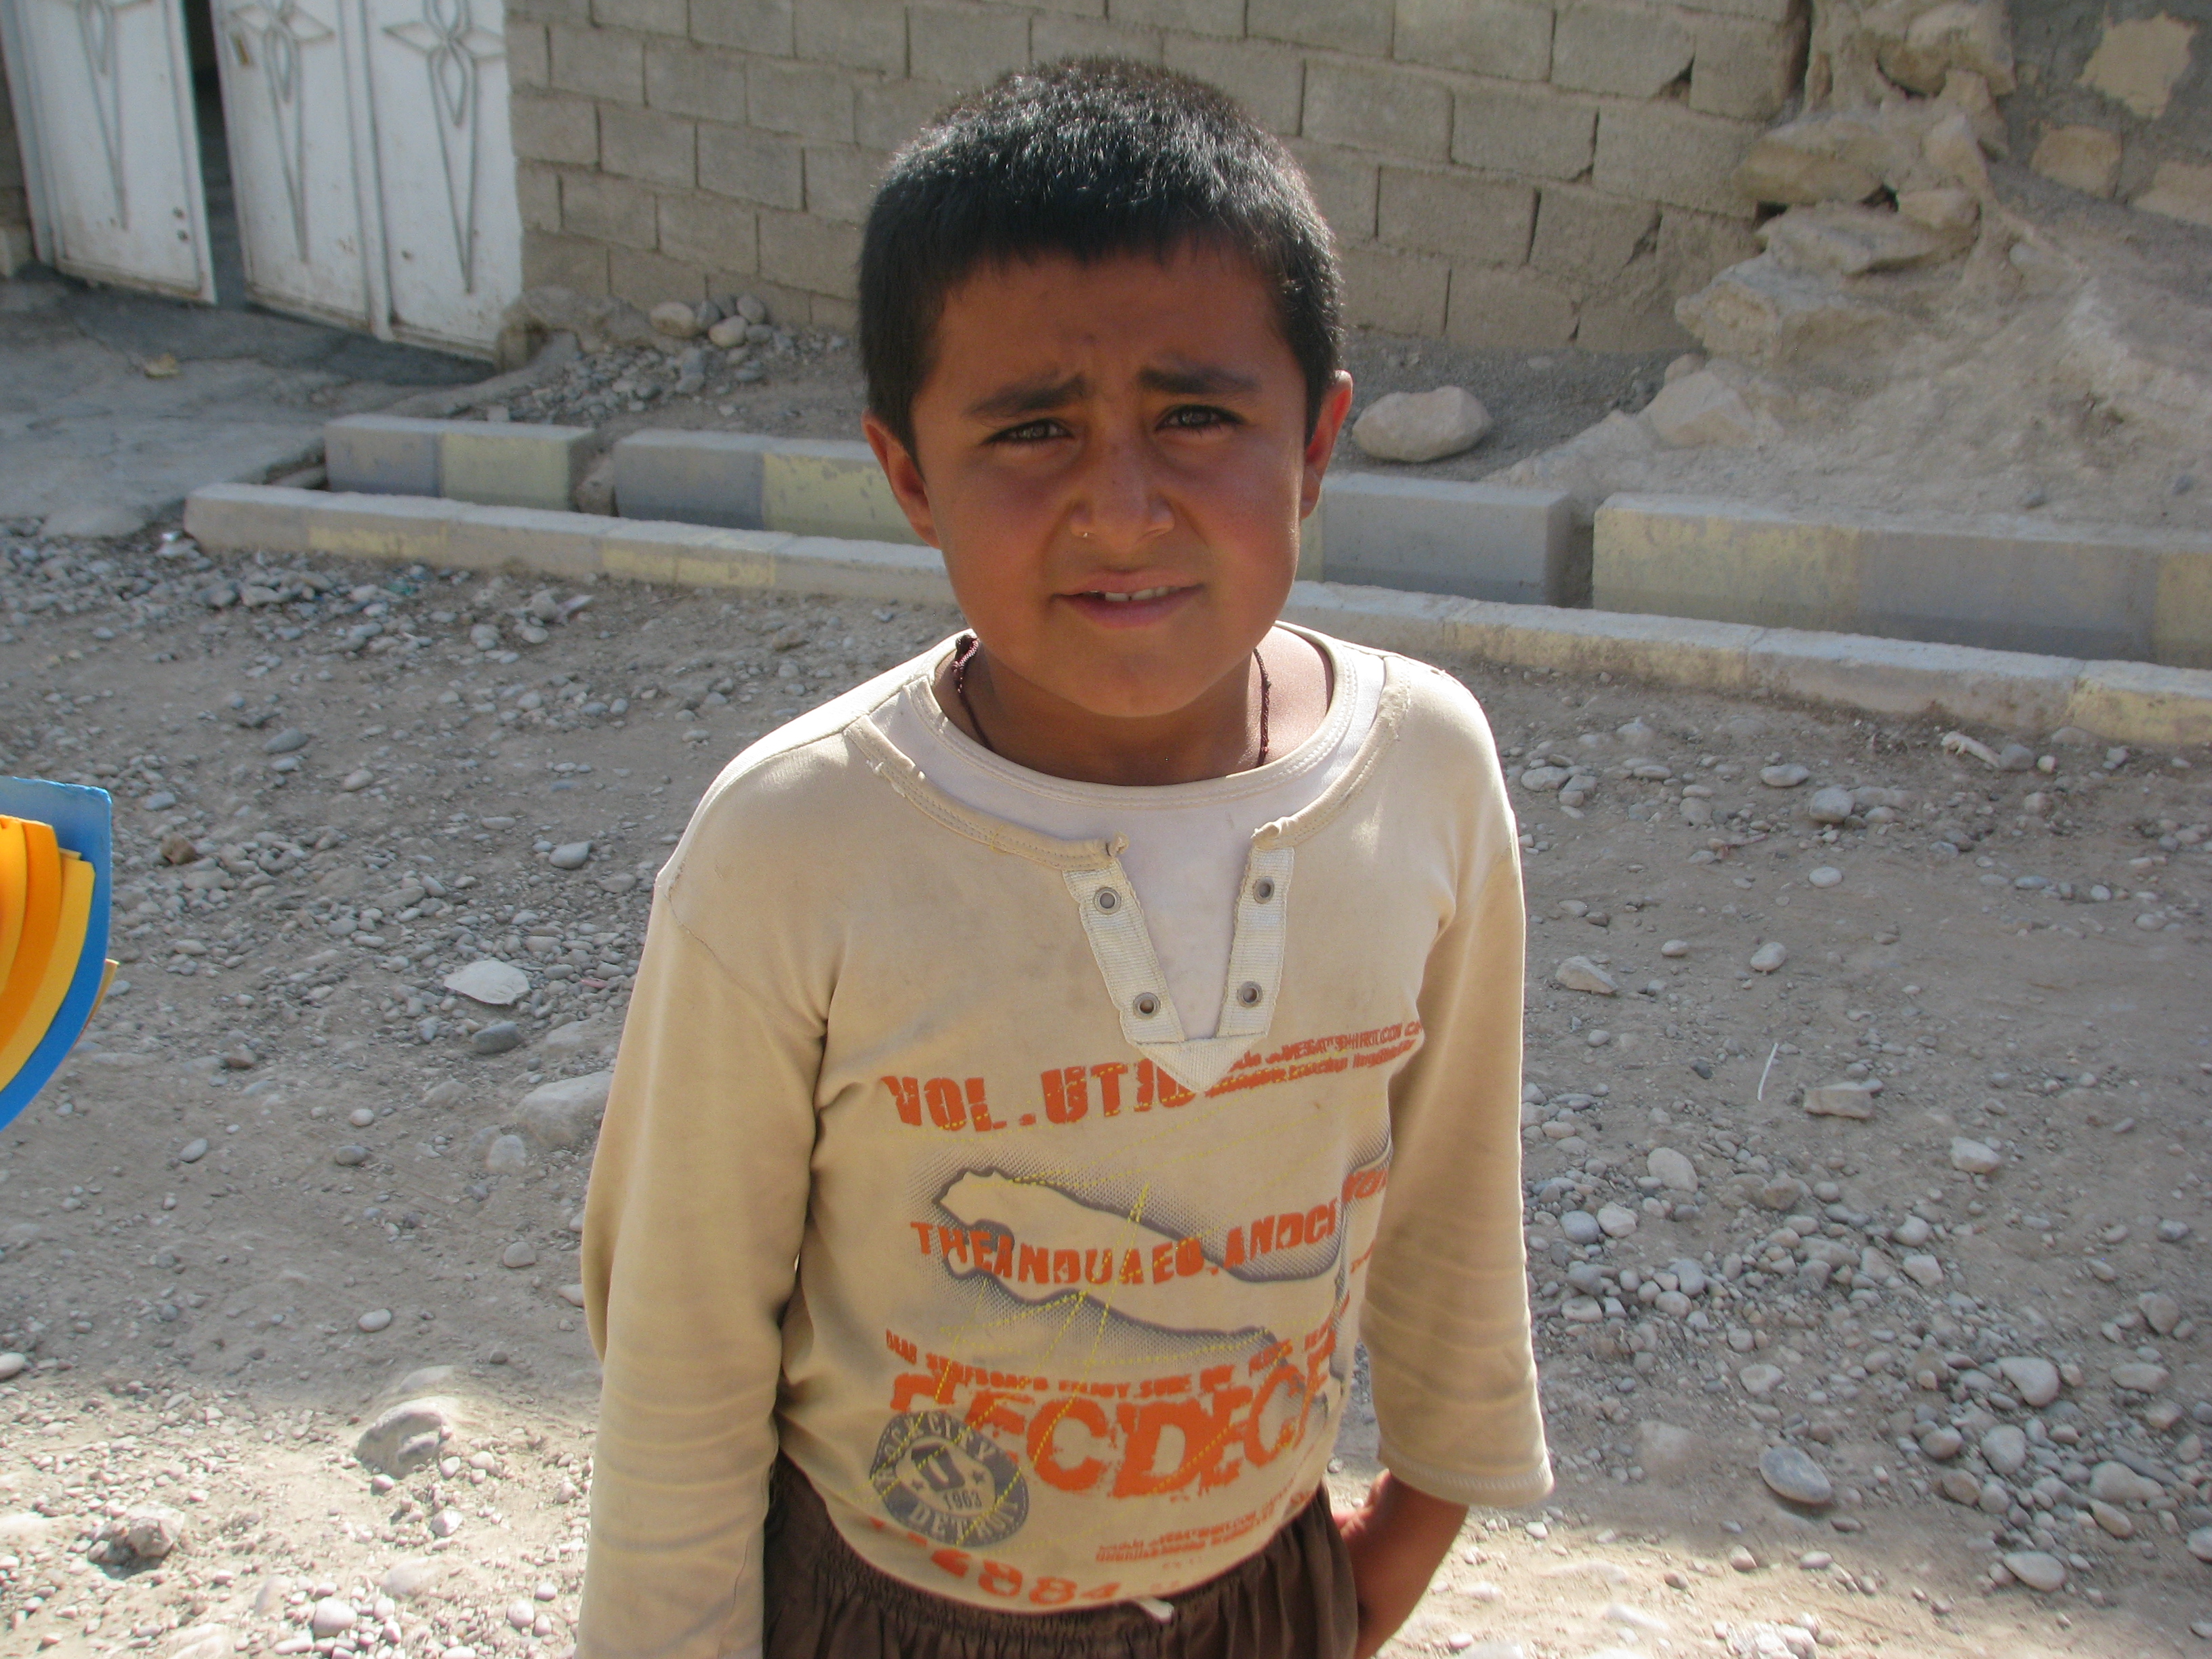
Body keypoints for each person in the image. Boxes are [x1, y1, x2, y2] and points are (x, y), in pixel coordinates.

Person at [577, 56, 1551, 1659]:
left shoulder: (1425, 769)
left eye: (1196, 416)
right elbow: (681, 1350)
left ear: (1316, 442)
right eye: (1032, 429)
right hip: (888, 1611)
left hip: (1269, 1597)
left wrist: (1412, 1524)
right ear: (910, 475)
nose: (1122, 506)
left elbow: (1451, 1190)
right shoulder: (795, 842)